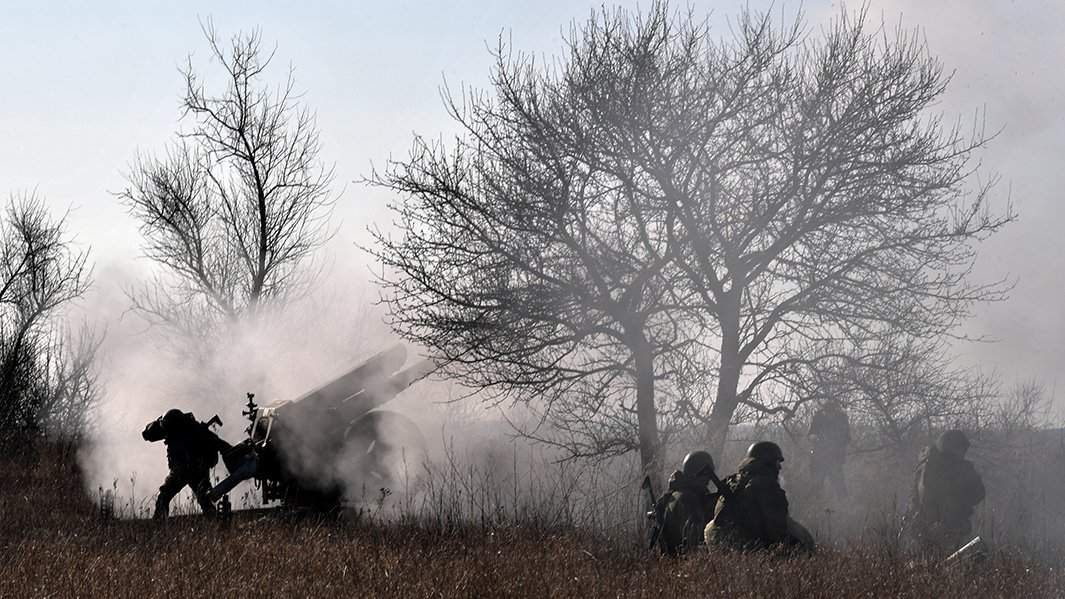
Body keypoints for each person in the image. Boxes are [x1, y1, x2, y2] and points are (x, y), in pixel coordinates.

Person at [705, 441, 815, 554]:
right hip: (750, 551)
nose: (780, 467)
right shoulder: (767, 488)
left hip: (726, 550)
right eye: (777, 462)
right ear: (768, 464)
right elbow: (777, 530)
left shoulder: (734, 482)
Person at [906, 430, 985, 554]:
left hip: (943, 527)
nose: (962, 454)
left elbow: (978, 494)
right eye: (960, 449)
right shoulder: (932, 468)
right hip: (935, 528)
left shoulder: (951, 467)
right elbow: (925, 497)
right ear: (950, 448)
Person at [142, 408, 230, 520]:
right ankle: (159, 523)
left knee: (205, 500)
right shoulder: (170, 426)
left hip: (196, 472)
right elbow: (147, 434)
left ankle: (215, 524)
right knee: (164, 496)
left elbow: (220, 444)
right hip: (181, 472)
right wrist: (157, 423)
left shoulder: (195, 429)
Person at [651, 450, 719, 555]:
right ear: (696, 475)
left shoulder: (678, 494)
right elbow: (696, 540)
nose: (708, 480)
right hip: (683, 564)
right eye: (706, 476)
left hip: (674, 562)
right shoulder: (688, 499)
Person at [808, 399, 851, 498]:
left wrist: (836, 443)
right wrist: (813, 437)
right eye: (826, 412)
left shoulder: (842, 418)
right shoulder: (818, 416)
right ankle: (816, 508)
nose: (828, 414)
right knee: (816, 485)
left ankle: (844, 508)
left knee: (839, 486)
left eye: (830, 412)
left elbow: (847, 438)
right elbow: (811, 433)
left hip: (835, 458)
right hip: (819, 457)